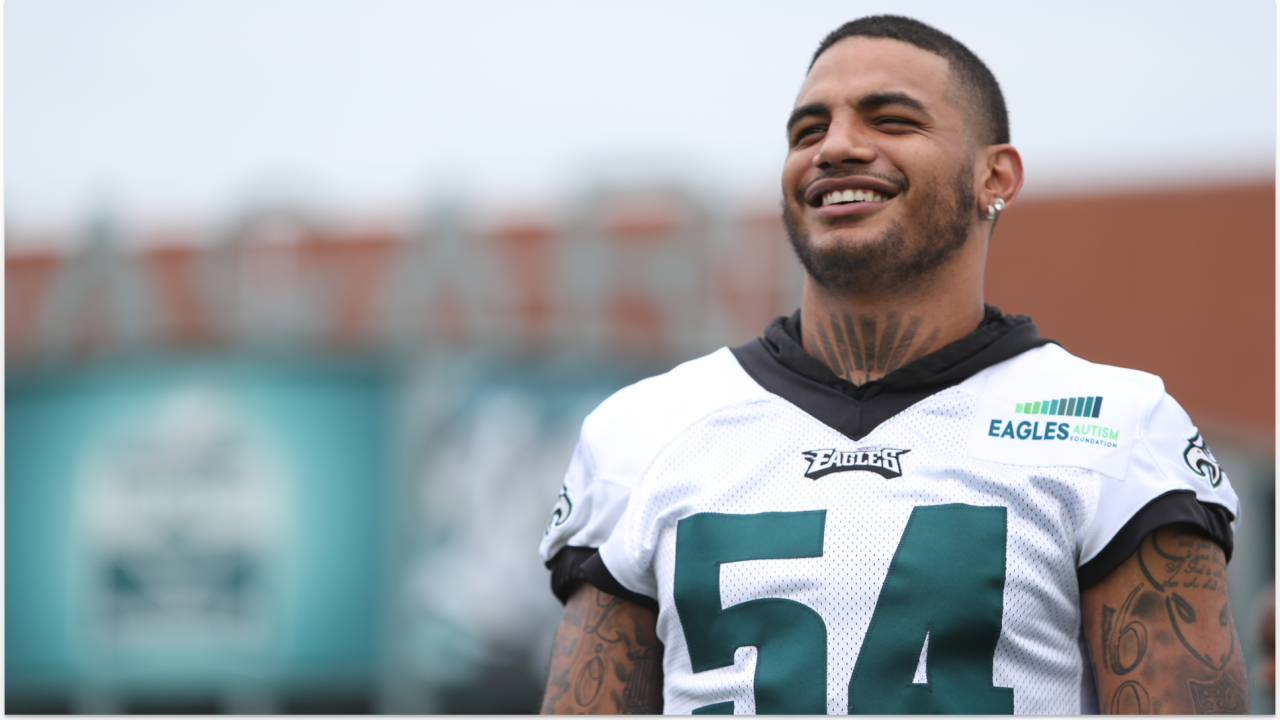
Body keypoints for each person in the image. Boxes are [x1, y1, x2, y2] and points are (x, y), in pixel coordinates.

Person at [537, 15, 1245, 715]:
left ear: (993, 175)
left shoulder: (1118, 426)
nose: (837, 147)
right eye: (807, 131)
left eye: (891, 120)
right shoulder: (643, 429)